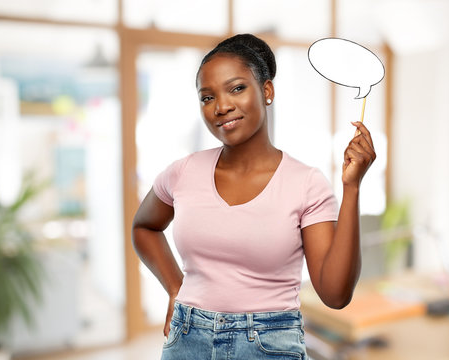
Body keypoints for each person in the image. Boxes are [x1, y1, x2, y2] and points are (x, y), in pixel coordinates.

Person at [132, 33, 376, 360]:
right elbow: (144, 227)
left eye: (236, 88)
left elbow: (335, 294)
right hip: (187, 340)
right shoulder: (183, 172)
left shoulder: (306, 183)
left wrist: (353, 187)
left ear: (267, 91)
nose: (221, 106)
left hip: (268, 345)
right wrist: (176, 290)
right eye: (207, 97)